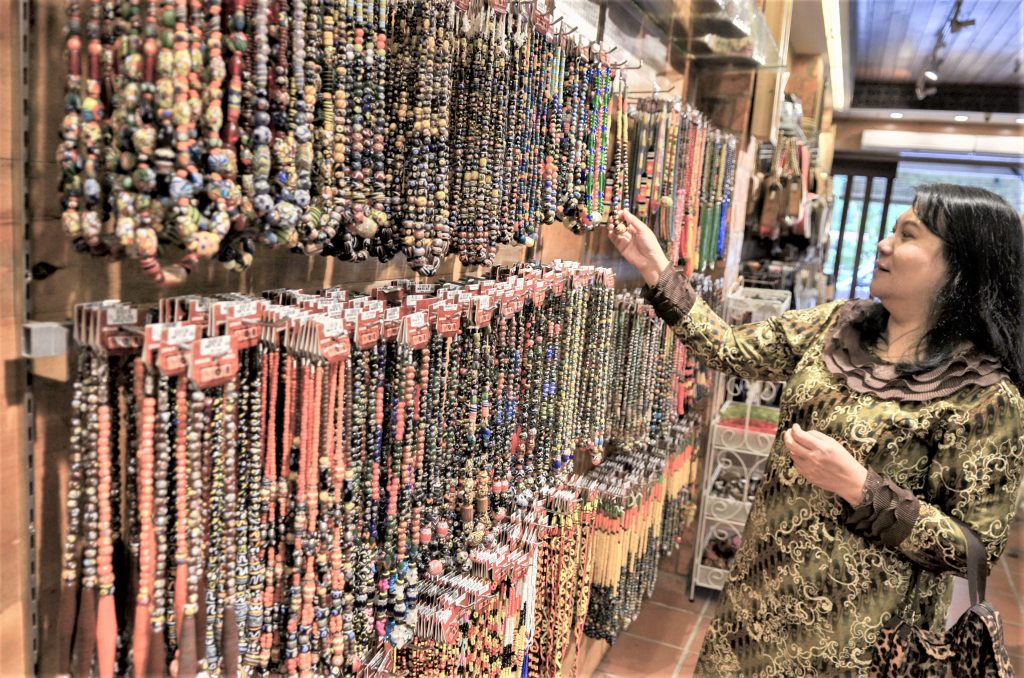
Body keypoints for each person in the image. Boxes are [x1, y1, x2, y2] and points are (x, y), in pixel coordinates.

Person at [608, 183, 1024, 676]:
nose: (883, 244)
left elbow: (974, 549)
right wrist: (656, 268)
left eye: (907, 235)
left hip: (858, 642)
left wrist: (862, 487)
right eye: (891, 230)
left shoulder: (984, 396)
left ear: (959, 267)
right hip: (756, 601)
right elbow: (731, 349)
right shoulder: (839, 326)